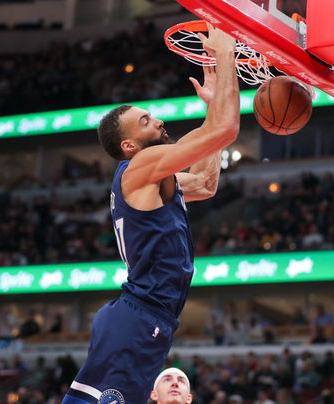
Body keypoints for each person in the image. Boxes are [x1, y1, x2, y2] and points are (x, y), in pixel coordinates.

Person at [63, 23, 239, 404]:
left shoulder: (155, 179)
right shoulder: (139, 168)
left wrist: (212, 103)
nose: (157, 120)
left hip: (148, 317)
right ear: (129, 144)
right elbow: (224, 130)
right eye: (145, 121)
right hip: (137, 317)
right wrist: (226, 55)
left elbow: (206, 183)